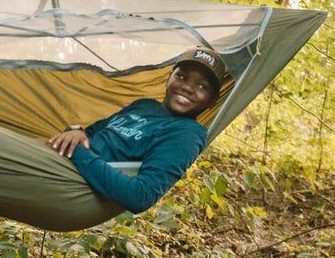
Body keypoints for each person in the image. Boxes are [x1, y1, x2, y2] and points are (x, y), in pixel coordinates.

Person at [46, 46, 228, 214]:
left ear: (212, 100)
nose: (187, 87)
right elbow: (90, 133)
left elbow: (141, 196)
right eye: (182, 77)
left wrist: (76, 152)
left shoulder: (186, 133)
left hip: (74, 183)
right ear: (168, 78)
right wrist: (75, 130)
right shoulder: (143, 105)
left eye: (202, 86)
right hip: (56, 160)